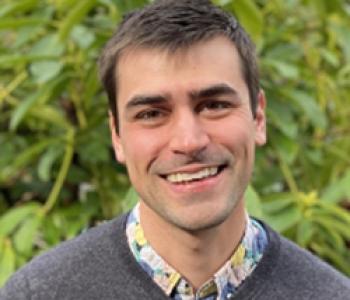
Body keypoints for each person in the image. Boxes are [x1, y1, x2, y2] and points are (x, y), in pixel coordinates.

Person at [1, 0, 349, 299]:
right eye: (151, 114)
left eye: (213, 105)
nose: (189, 141)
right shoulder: (37, 293)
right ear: (117, 135)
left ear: (258, 116)